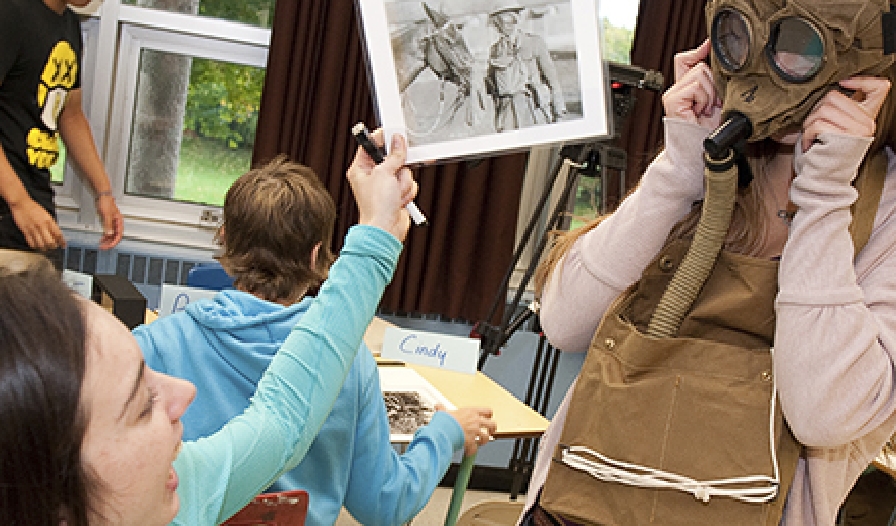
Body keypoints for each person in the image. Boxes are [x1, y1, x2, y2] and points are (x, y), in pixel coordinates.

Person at [518, 1, 896, 524]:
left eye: (801, 45)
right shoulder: (709, 165)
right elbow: (563, 321)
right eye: (743, 36)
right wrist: (679, 168)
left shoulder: (885, 216)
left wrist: (826, 194)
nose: (770, 61)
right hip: (578, 506)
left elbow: (822, 415)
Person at [0, 131, 419, 525]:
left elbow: (283, 417)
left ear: (225, 237)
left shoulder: (180, 482)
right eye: (142, 402)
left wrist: (377, 232)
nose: (185, 392)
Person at [132, 155, 497, 526]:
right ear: (316, 255)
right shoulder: (349, 365)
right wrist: (445, 432)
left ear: (225, 239)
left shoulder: (151, 346)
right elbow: (385, 504)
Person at [0, 0, 124, 269]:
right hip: (9, 196)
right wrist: (19, 203)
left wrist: (103, 192)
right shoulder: (10, 12)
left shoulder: (68, 25)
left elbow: (71, 114)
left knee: (46, 302)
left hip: (33, 192)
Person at [486, 0, 566, 132]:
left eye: (511, 19)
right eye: (501, 21)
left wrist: (559, 109)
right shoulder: (494, 50)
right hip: (507, 115)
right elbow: (491, 85)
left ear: (517, 18)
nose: (507, 25)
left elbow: (552, 78)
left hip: (534, 110)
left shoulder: (535, 42)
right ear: (496, 23)